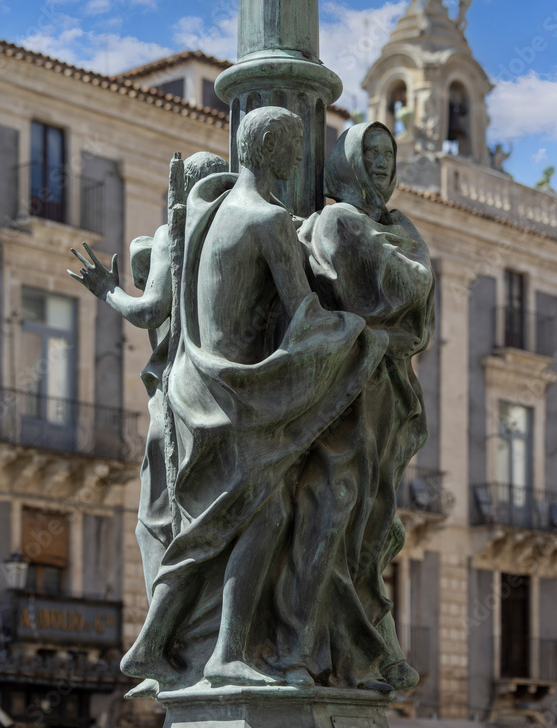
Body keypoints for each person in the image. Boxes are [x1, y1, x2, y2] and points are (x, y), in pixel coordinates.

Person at [119, 107, 389, 692]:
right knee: (263, 514)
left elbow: (159, 299)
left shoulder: (203, 214)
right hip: (241, 395)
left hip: (194, 388)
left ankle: (154, 645)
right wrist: (365, 334)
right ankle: (225, 654)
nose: (298, 160)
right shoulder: (268, 219)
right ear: (269, 146)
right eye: (292, 147)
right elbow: (303, 312)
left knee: (209, 525)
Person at [275, 121, 435, 691]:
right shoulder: (339, 221)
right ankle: (296, 645)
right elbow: (393, 289)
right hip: (344, 392)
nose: (382, 162)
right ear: (347, 163)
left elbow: (414, 294)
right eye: (369, 152)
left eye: (388, 152)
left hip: (386, 395)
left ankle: (360, 651)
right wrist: (400, 292)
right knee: (328, 514)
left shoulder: (397, 226)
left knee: (369, 530)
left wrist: (403, 286)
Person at [67, 151, 228, 696]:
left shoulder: (178, 233)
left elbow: (150, 308)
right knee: (205, 518)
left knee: (158, 520)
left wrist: (106, 290)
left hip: (179, 394)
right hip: (225, 396)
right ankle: (188, 642)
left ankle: (162, 645)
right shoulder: (239, 228)